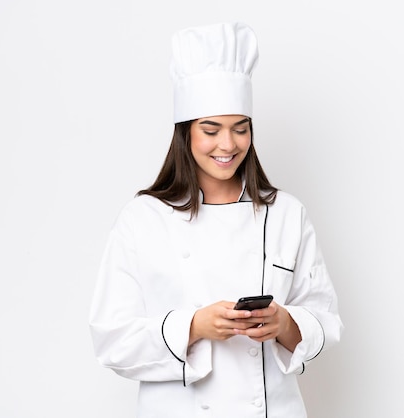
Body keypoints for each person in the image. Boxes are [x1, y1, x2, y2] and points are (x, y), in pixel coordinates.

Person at [89, 22, 343, 418]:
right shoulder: (142, 220)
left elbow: (326, 321)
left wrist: (282, 322)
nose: (228, 145)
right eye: (211, 130)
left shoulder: (286, 214)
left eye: (240, 129)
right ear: (185, 133)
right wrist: (195, 326)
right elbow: (111, 339)